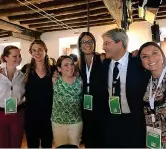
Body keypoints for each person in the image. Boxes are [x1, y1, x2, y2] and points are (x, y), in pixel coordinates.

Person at [102, 28, 150, 148]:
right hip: (111, 120)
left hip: (133, 121)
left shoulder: (138, 63)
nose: (103, 47)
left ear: (120, 43)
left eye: (107, 43)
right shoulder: (104, 64)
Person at [21, 39, 54, 148]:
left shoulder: (53, 70)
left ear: (45, 50)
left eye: (40, 49)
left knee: (47, 145)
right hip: (31, 115)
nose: (37, 53)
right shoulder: (25, 69)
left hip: (49, 115)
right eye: (34, 50)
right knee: (32, 145)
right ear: (31, 53)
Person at [78, 32, 105, 147]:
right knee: (89, 138)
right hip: (85, 106)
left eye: (90, 41)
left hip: (101, 105)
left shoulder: (102, 58)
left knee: (101, 137)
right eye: (84, 42)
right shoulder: (77, 64)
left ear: (94, 44)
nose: (87, 44)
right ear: (80, 45)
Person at [138, 42, 166, 148]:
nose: (150, 59)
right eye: (145, 56)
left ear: (162, 55)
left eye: (155, 53)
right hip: (153, 138)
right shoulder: (145, 80)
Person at [51, 55, 82, 147]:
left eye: (72, 64)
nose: (70, 67)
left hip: (75, 122)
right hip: (58, 122)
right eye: (66, 65)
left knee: (74, 147)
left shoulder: (80, 81)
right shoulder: (54, 80)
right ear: (59, 69)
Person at [0, 45, 25, 148]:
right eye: (15, 56)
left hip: (18, 114)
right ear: (6, 57)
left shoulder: (22, 76)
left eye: (19, 56)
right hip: (1, 114)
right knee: (2, 144)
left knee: (16, 144)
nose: (18, 59)